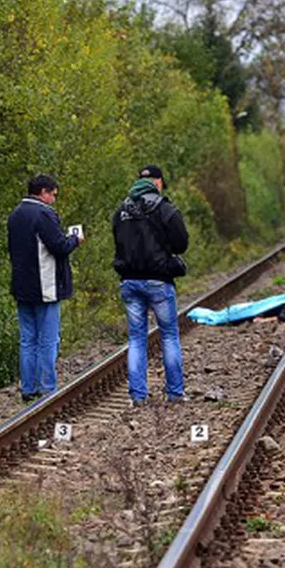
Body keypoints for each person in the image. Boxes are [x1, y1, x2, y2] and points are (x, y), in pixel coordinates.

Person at [112, 165, 190, 405]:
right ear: (158, 183)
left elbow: (118, 244)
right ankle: (175, 393)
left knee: (136, 339)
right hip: (158, 281)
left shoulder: (121, 211)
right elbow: (181, 244)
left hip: (129, 282)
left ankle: (138, 395)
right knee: (169, 336)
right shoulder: (165, 209)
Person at [7, 174, 82, 403]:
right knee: (48, 340)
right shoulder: (43, 214)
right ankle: (48, 389)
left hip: (22, 286)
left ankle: (28, 389)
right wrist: (75, 239)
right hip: (45, 287)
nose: (54, 200)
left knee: (28, 340)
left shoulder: (15, 214)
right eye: (53, 195)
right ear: (43, 192)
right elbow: (59, 246)